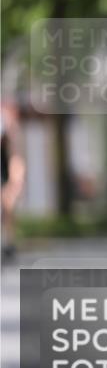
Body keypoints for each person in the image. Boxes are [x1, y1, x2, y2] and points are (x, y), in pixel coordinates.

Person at [1, 101, 26, 263]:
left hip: (4, 170)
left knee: (8, 208)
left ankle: (9, 244)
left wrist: (17, 180)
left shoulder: (7, 122)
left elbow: (15, 154)